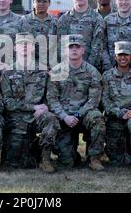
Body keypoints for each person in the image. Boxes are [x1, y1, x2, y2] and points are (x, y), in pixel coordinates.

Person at [0, 33, 60, 172]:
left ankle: (45, 159)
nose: (25, 47)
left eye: (28, 44)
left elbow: (51, 97)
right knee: (14, 163)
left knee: (50, 119)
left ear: (33, 48)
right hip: (16, 118)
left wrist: (44, 108)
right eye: (21, 44)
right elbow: (8, 102)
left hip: (38, 116)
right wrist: (33, 107)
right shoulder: (8, 72)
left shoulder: (44, 71)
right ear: (15, 48)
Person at [47, 34, 106, 170]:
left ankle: (94, 158)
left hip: (84, 114)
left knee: (97, 118)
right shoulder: (57, 72)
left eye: (77, 47)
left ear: (83, 50)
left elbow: (94, 100)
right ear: (65, 50)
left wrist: (80, 114)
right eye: (70, 47)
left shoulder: (92, 72)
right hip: (64, 117)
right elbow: (52, 99)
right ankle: (72, 154)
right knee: (67, 163)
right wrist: (65, 116)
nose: (74, 50)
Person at [102, 41, 131, 170]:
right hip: (114, 118)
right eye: (120, 55)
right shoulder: (107, 76)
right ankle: (123, 151)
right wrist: (119, 112)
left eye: (126, 55)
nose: (123, 58)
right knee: (117, 161)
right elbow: (105, 100)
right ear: (115, 56)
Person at [57, 0, 104, 70]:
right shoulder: (63, 19)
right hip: (68, 70)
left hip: (90, 70)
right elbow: (60, 47)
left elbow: (97, 48)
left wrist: (87, 69)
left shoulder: (97, 18)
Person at [19, 0, 58, 68]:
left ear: (49, 3)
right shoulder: (23, 21)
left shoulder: (55, 23)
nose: (41, 4)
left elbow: (58, 47)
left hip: (50, 67)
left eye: (44, 1)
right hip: (29, 67)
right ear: (33, 3)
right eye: (38, 1)